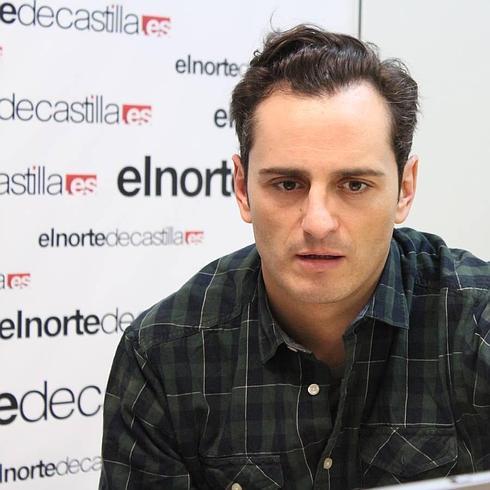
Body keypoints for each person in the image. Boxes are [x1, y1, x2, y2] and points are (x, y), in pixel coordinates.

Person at [99, 25, 490, 489]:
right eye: (287, 184)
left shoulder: (478, 326)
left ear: (405, 189)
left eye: (354, 185)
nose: (318, 222)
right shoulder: (163, 356)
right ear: (242, 187)